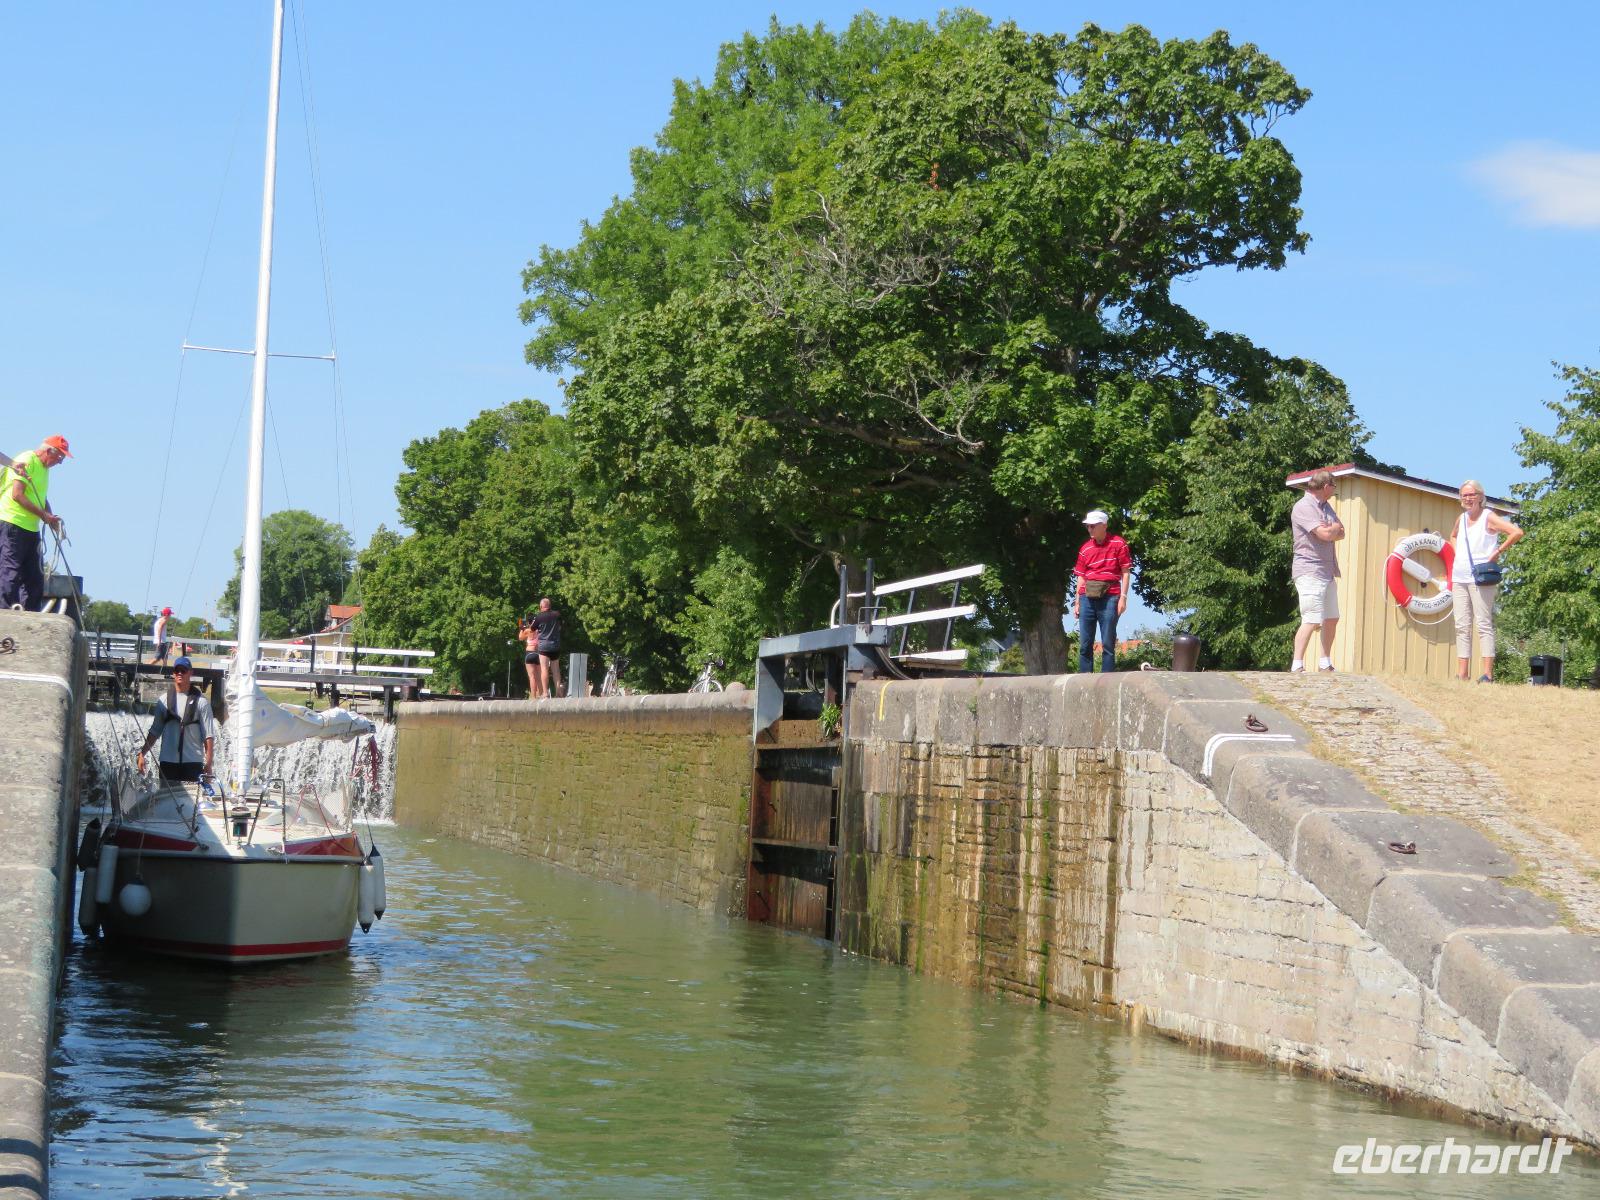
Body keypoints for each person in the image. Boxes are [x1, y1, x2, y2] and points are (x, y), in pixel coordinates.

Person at [1452, 479, 1524, 683]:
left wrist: (1497, 552)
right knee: (1461, 625)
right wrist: (1459, 556)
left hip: (1481, 577)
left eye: (1471, 494)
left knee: (1483, 623)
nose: (1468, 498)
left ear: (1480, 496)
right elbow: (1453, 536)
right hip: (1460, 577)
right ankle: (1462, 673)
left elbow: (1516, 532)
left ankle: (1487, 674)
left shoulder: (1488, 517)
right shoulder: (1461, 518)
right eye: (1464, 495)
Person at [0, 435, 71, 611]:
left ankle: (30, 616)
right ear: (49, 451)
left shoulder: (44, 469)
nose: (60, 462)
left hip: (30, 528)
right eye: (59, 457)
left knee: (34, 577)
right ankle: (4, 613)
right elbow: (17, 495)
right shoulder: (27, 460)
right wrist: (43, 515)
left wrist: (50, 517)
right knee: (11, 572)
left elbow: (41, 496)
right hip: (12, 523)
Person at [1290, 468, 1345, 673]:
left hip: (1328, 571)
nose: (1334, 491)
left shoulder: (1326, 507)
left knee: (1331, 617)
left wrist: (1332, 530)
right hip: (1309, 570)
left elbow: (1342, 531)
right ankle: (1297, 664)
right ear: (1326, 486)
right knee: (1312, 618)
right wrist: (1332, 530)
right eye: (1333, 487)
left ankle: (1324, 662)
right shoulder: (1303, 507)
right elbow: (1324, 534)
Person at [135, 656, 217, 783]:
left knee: (191, 801)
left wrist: (209, 763)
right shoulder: (163, 700)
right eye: (177, 670)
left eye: (183, 670)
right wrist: (142, 753)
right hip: (168, 762)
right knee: (167, 800)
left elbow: (208, 735)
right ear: (173, 673)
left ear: (190, 673)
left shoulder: (201, 702)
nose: (180, 673)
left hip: (192, 762)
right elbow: (155, 731)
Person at [1072, 510, 1133, 674]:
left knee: (1107, 642)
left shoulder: (1119, 544)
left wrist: (1123, 598)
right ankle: (1084, 679)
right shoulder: (1085, 549)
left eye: (1093, 526)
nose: (1089, 529)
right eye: (1087, 526)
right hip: (1087, 598)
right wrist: (1077, 602)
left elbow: (1126, 571)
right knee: (1085, 643)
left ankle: (1107, 680)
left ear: (1103, 525)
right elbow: (1081, 577)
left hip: (1110, 596)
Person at [531, 597, 563, 698]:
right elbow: (560, 627)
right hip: (555, 645)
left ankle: (545, 693)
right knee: (556, 670)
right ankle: (558, 692)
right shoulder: (557, 615)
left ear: (541, 606)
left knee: (544, 669)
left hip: (544, 646)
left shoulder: (539, 617)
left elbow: (532, 629)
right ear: (549, 606)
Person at [517, 612, 543, 699]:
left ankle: (533, 696)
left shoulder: (527, 631)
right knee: (539, 676)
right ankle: (542, 695)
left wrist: (521, 628)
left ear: (528, 622)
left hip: (529, 653)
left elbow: (520, 638)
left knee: (532, 677)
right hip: (538, 654)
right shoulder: (539, 630)